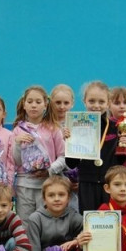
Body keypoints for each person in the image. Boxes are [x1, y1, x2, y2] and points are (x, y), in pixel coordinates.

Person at [65, 81, 126, 213]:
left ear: (108, 103)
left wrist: (124, 147)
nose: (96, 105)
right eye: (92, 101)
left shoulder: (116, 128)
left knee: (110, 221)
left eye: (101, 101)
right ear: (84, 101)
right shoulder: (76, 126)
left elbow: (120, 162)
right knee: (89, 220)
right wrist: (70, 142)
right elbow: (71, 164)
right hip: (87, 182)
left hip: (110, 184)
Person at [12, 85, 66, 232]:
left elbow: (63, 156)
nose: (34, 105)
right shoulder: (18, 130)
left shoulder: (54, 128)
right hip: (24, 186)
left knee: (47, 225)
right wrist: (18, 143)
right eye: (30, 102)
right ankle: (27, 248)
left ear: (45, 105)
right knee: (26, 226)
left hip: (48, 185)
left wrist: (49, 170)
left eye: (38, 102)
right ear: (24, 104)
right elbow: (16, 161)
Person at [26, 175, 91, 251]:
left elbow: (88, 231)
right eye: (51, 195)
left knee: (84, 243)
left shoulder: (73, 216)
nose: (56, 199)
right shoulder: (35, 219)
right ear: (44, 198)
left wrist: (76, 241)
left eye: (61, 195)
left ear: (68, 198)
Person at [50, 84, 80, 212]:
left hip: (73, 178)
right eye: (58, 102)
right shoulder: (46, 125)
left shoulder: (79, 124)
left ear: (72, 103)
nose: (62, 107)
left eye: (66, 103)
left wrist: (78, 178)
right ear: (51, 102)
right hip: (52, 177)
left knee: (73, 212)